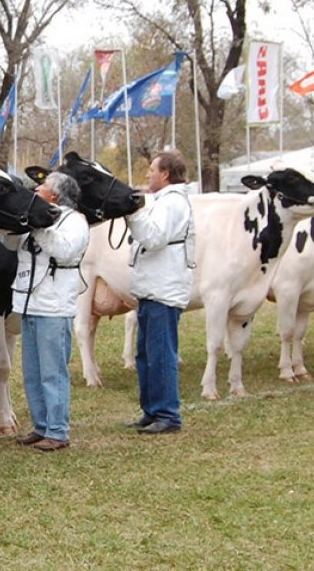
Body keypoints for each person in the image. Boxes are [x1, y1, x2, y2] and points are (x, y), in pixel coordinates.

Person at [9, 172, 89, 452]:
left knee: (52, 370)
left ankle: (57, 429)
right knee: (32, 370)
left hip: (54, 305)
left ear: (54, 195)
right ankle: (41, 425)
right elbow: (11, 245)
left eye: (42, 186)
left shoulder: (75, 221)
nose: (37, 188)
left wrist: (39, 226)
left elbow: (64, 251)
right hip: (29, 301)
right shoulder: (34, 220)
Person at [125, 151, 195, 435]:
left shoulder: (173, 203)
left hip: (163, 288)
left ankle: (168, 413)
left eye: (152, 170)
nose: (148, 175)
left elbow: (154, 238)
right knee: (145, 353)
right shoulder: (165, 201)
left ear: (166, 174)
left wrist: (133, 213)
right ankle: (151, 410)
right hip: (153, 286)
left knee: (161, 354)